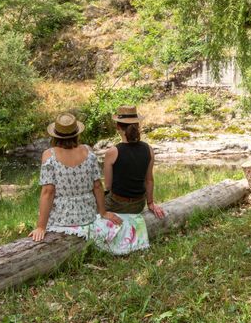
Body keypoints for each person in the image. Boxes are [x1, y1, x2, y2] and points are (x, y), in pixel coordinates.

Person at [29, 112, 148, 255]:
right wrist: (103, 212)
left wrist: (41, 226)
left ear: (55, 135)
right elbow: (97, 186)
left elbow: (48, 191)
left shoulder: (49, 155)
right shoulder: (88, 151)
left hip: (62, 218)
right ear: (76, 133)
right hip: (87, 215)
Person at [103, 105, 166, 219]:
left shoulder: (113, 152)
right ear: (137, 125)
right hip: (138, 205)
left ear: (118, 126)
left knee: (92, 202)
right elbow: (149, 180)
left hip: (116, 205)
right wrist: (150, 203)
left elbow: (107, 185)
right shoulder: (148, 149)